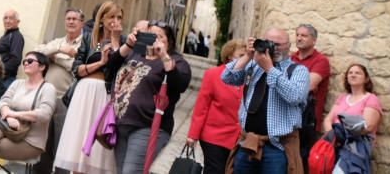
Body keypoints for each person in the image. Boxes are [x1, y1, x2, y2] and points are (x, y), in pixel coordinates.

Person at [221, 27, 311, 173]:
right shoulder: (253, 65)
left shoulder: (298, 71)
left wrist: (269, 69)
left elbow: (295, 96)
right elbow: (226, 77)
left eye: (278, 45)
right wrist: (248, 56)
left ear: (288, 46)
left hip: (277, 147)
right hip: (248, 141)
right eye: (269, 43)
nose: (273, 48)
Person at [108, 21, 192, 174]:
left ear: (169, 41)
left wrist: (164, 56)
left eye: (160, 37)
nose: (155, 40)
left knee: (131, 171)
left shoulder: (177, 61)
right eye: (152, 35)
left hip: (148, 125)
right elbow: (111, 66)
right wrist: (127, 44)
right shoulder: (136, 52)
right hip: (121, 123)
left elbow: (180, 84)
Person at [54, 1, 125, 174]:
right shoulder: (88, 37)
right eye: (112, 17)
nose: (116, 20)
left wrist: (115, 40)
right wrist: (99, 62)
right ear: (102, 19)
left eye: (119, 17)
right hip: (84, 92)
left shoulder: (123, 41)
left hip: (105, 93)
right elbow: (76, 69)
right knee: (78, 143)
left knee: (97, 149)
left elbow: (118, 68)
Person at [0, 51, 58, 173]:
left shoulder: (48, 88)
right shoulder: (17, 83)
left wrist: (15, 114)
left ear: (42, 67)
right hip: (9, 131)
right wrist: (9, 118)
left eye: (30, 61)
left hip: (30, 141)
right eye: (24, 61)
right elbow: (3, 102)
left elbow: (45, 114)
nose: (25, 63)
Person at [35, 7, 84, 174]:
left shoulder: (86, 43)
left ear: (81, 23)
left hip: (65, 101)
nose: (70, 21)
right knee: (42, 145)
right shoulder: (58, 42)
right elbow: (38, 53)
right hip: (46, 100)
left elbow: (75, 67)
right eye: (68, 18)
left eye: (74, 19)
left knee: (62, 146)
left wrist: (55, 59)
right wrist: (59, 51)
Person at [186, 39, 247, 173]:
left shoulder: (249, 77)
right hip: (214, 136)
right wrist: (192, 135)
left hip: (238, 139)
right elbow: (201, 108)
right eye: (241, 55)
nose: (246, 59)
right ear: (229, 56)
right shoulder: (213, 74)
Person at [291, 23, 330, 163]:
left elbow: (306, 87)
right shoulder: (290, 59)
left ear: (314, 40)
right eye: (297, 35)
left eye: (304, 35)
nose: (299, 38)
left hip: (306, 122)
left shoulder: (321, 61)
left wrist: (285, 82)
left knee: (300, 162)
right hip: (286, 119)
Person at [322, 63, 381, 136]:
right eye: (350, 73)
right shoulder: (342, 97)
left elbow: (368, 126)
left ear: (366, 79)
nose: (353, 75)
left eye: (358, 73)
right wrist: (331, 135)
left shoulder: (371, 98)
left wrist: (341, 136)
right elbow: (328, 119)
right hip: (334, 140)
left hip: (355, 143)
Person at [0, 9, 25, 83]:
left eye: (11, 18)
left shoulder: (17, 37)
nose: (7, 21)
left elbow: (15, 60)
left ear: (17, 22)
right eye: (5, 18)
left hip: (4, 80)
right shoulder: (6, 35)